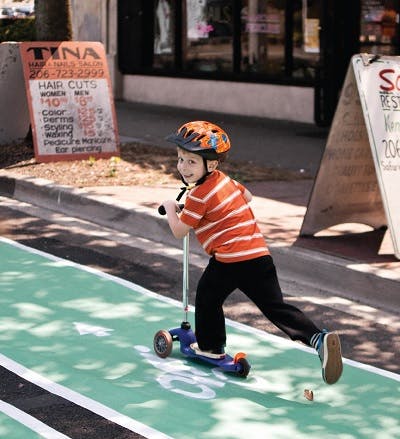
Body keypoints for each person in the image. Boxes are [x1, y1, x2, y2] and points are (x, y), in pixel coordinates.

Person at [161, 121, 343, 385]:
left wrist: (169, 208)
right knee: (276, 307)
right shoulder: (225, 182)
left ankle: (211, 348)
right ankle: (317, 338)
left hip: (230, 260)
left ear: (211, 165)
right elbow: (248, 197)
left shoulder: (198, 195)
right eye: (180, 160)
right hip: (258, 255)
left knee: (208, 297)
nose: (183, 167)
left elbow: (179, 231)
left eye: (191, 162)